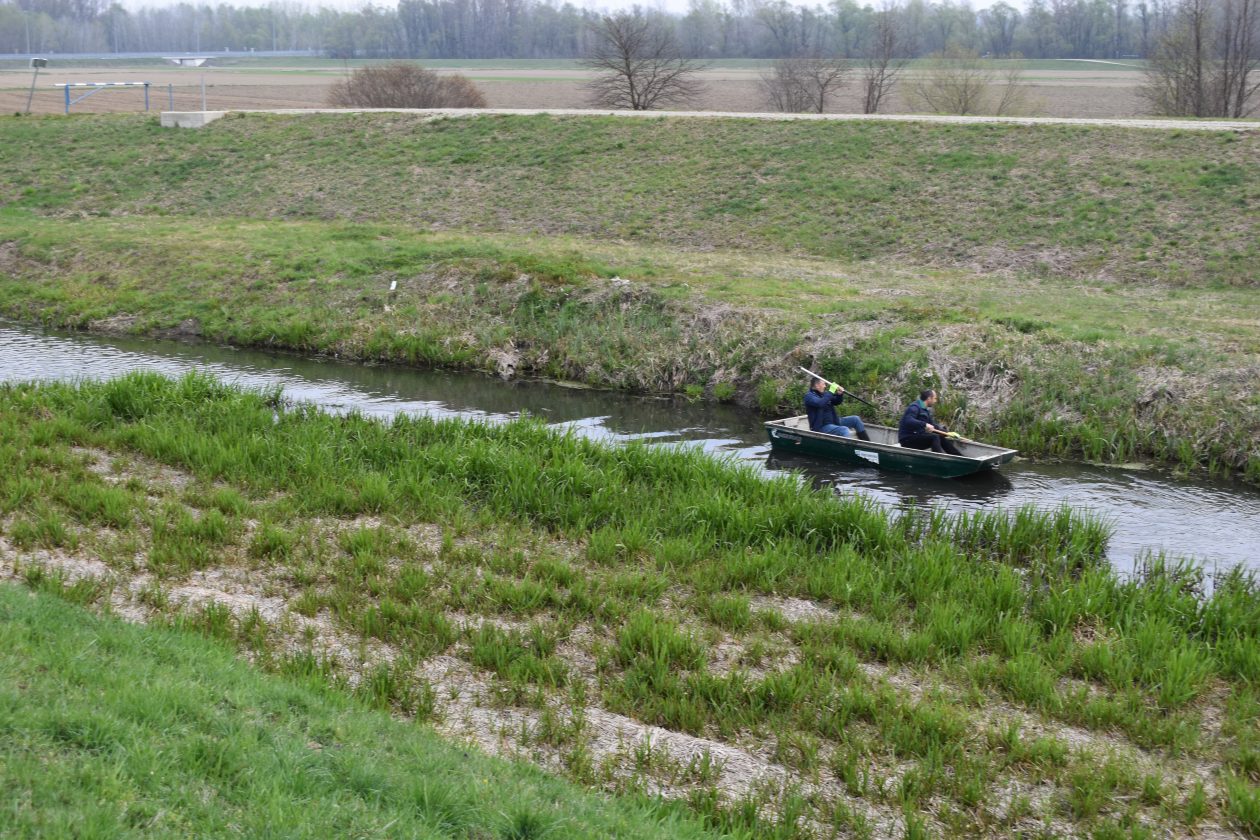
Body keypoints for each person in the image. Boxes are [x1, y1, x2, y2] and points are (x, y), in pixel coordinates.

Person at [898, 388, 963, 456]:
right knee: (934, 437)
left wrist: (947, 433)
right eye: (935, 398)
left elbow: (933, 426)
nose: (935, 401)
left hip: (917, 437)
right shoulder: (914, 407)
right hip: (907, 440)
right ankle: (938, 458)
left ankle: (959, 457)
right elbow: (908, 420)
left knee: (940, 437)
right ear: (929, 398)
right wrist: (925, 424)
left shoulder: (925, 410)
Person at [804, 377, 870, 440]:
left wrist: (839, 394)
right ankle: (846, 447)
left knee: (855, 419)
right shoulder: (809, 396)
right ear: (817, 385)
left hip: (834, 421)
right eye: (823, 384)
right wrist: (831, 391)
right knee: (844, 430)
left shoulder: (824, 394)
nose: (825, 386)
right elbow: (820, 403)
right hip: (821, 426)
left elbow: (836, 402)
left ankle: (866, 444)